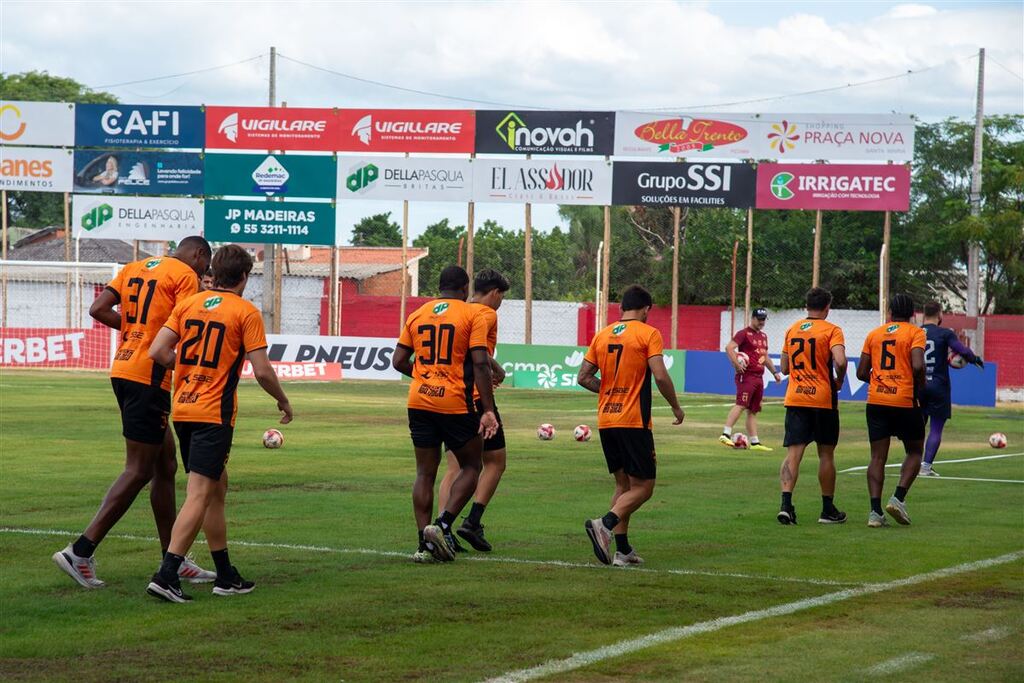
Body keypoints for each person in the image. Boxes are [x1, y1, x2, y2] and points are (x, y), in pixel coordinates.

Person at [53, 236, 215, 589]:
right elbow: (190, 325)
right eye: (206, 266)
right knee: (139, 469)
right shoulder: (184, 275)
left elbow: (98, 309)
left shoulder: (132, 268)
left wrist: (133, 333)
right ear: (198, 255)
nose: (204, 273)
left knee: (165, 464)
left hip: (123, 369)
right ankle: (79, 551)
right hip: (149, 377)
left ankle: (173, 558)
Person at [145, 244, 293, 602]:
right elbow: (261, 370)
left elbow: (158, 352)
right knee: (199, 493)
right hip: (214, 415)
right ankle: (167, 574)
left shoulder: (188, 304)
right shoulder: (245, 312)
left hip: (183, 408)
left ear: (215, 272)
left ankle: (225, 573)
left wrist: (190, 369)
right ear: (244, 277)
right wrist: (283, 400)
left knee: (215, 490)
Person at [391, 265, 499, 564]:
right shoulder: (472, 314)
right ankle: (441, 525)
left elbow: (398, 360)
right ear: (465, 289)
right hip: (454, 403)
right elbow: (480, 363)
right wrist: (488, 410)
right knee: (472, 466)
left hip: (419, 401)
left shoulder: (418, 313)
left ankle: (423, 546)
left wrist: (424, 376)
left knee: (425, 472)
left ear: (440, 287)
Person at [577, 285, 685, 567]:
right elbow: (660, 375)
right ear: (646, 309)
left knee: (623, 484)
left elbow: (584, 376)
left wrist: (608, 391)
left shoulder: (602, 334)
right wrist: (675, 405)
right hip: (633, 420)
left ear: (622, 307)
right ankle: (605, 524)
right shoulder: (648, 333)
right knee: (645, 487)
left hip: (607, 420)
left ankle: (622, 551)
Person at [436, 269, 510, 553]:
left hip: (453, 396)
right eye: (501, 296)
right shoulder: (487, 314)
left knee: (454, 467)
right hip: (478, 399)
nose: (500, 302)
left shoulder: (460, 311)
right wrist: (496, 368)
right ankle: (472, 521)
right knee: (495, 462)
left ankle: (441, 528)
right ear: (494, 293)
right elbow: (475, 351)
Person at [777, 287, 848, 526]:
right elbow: (840, 360)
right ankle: (827, 509)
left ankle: (786, 505)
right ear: (827, 307)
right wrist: (839, 379)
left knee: (793, 454)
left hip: (796, 398)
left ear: (807, 306)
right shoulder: (832, 330)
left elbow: (785, 368)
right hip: (822, 399)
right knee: (826, 454)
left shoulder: (792, 329)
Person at [857, 294, 927, 528]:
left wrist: (881, 384)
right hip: (904, 400)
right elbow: (917, 364)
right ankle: (898, 498)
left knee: (877, 457)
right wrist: (918, 385)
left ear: (889, 312)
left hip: (876, 401)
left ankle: (875, 513)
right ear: (912, 313)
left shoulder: (874, 334)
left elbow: (860, 372)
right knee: (915, 451)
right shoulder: (915, 332)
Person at [920, 301, 984, 476]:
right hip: (939, 385)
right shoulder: (945, 333)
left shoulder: (915, 332)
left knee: (918, 426)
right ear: (940, 314)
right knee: (935, 428)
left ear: (924, 314)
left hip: (918, 385)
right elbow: (960, 349)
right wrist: (974, 359)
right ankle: (925, 467)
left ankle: (912, 462)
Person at [719, 307, 782, 452]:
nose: (761, 322)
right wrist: (736, 364)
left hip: (759, 377)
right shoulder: (744, 334)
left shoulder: (763, 336)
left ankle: (755, 442)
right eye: (759, 319)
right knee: (741, 404)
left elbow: (764, 356)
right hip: (746, 376)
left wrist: (774, 372)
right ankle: (725, 433)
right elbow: (729, 348)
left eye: (763, 319)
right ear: (752, 318)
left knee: (753, 410)